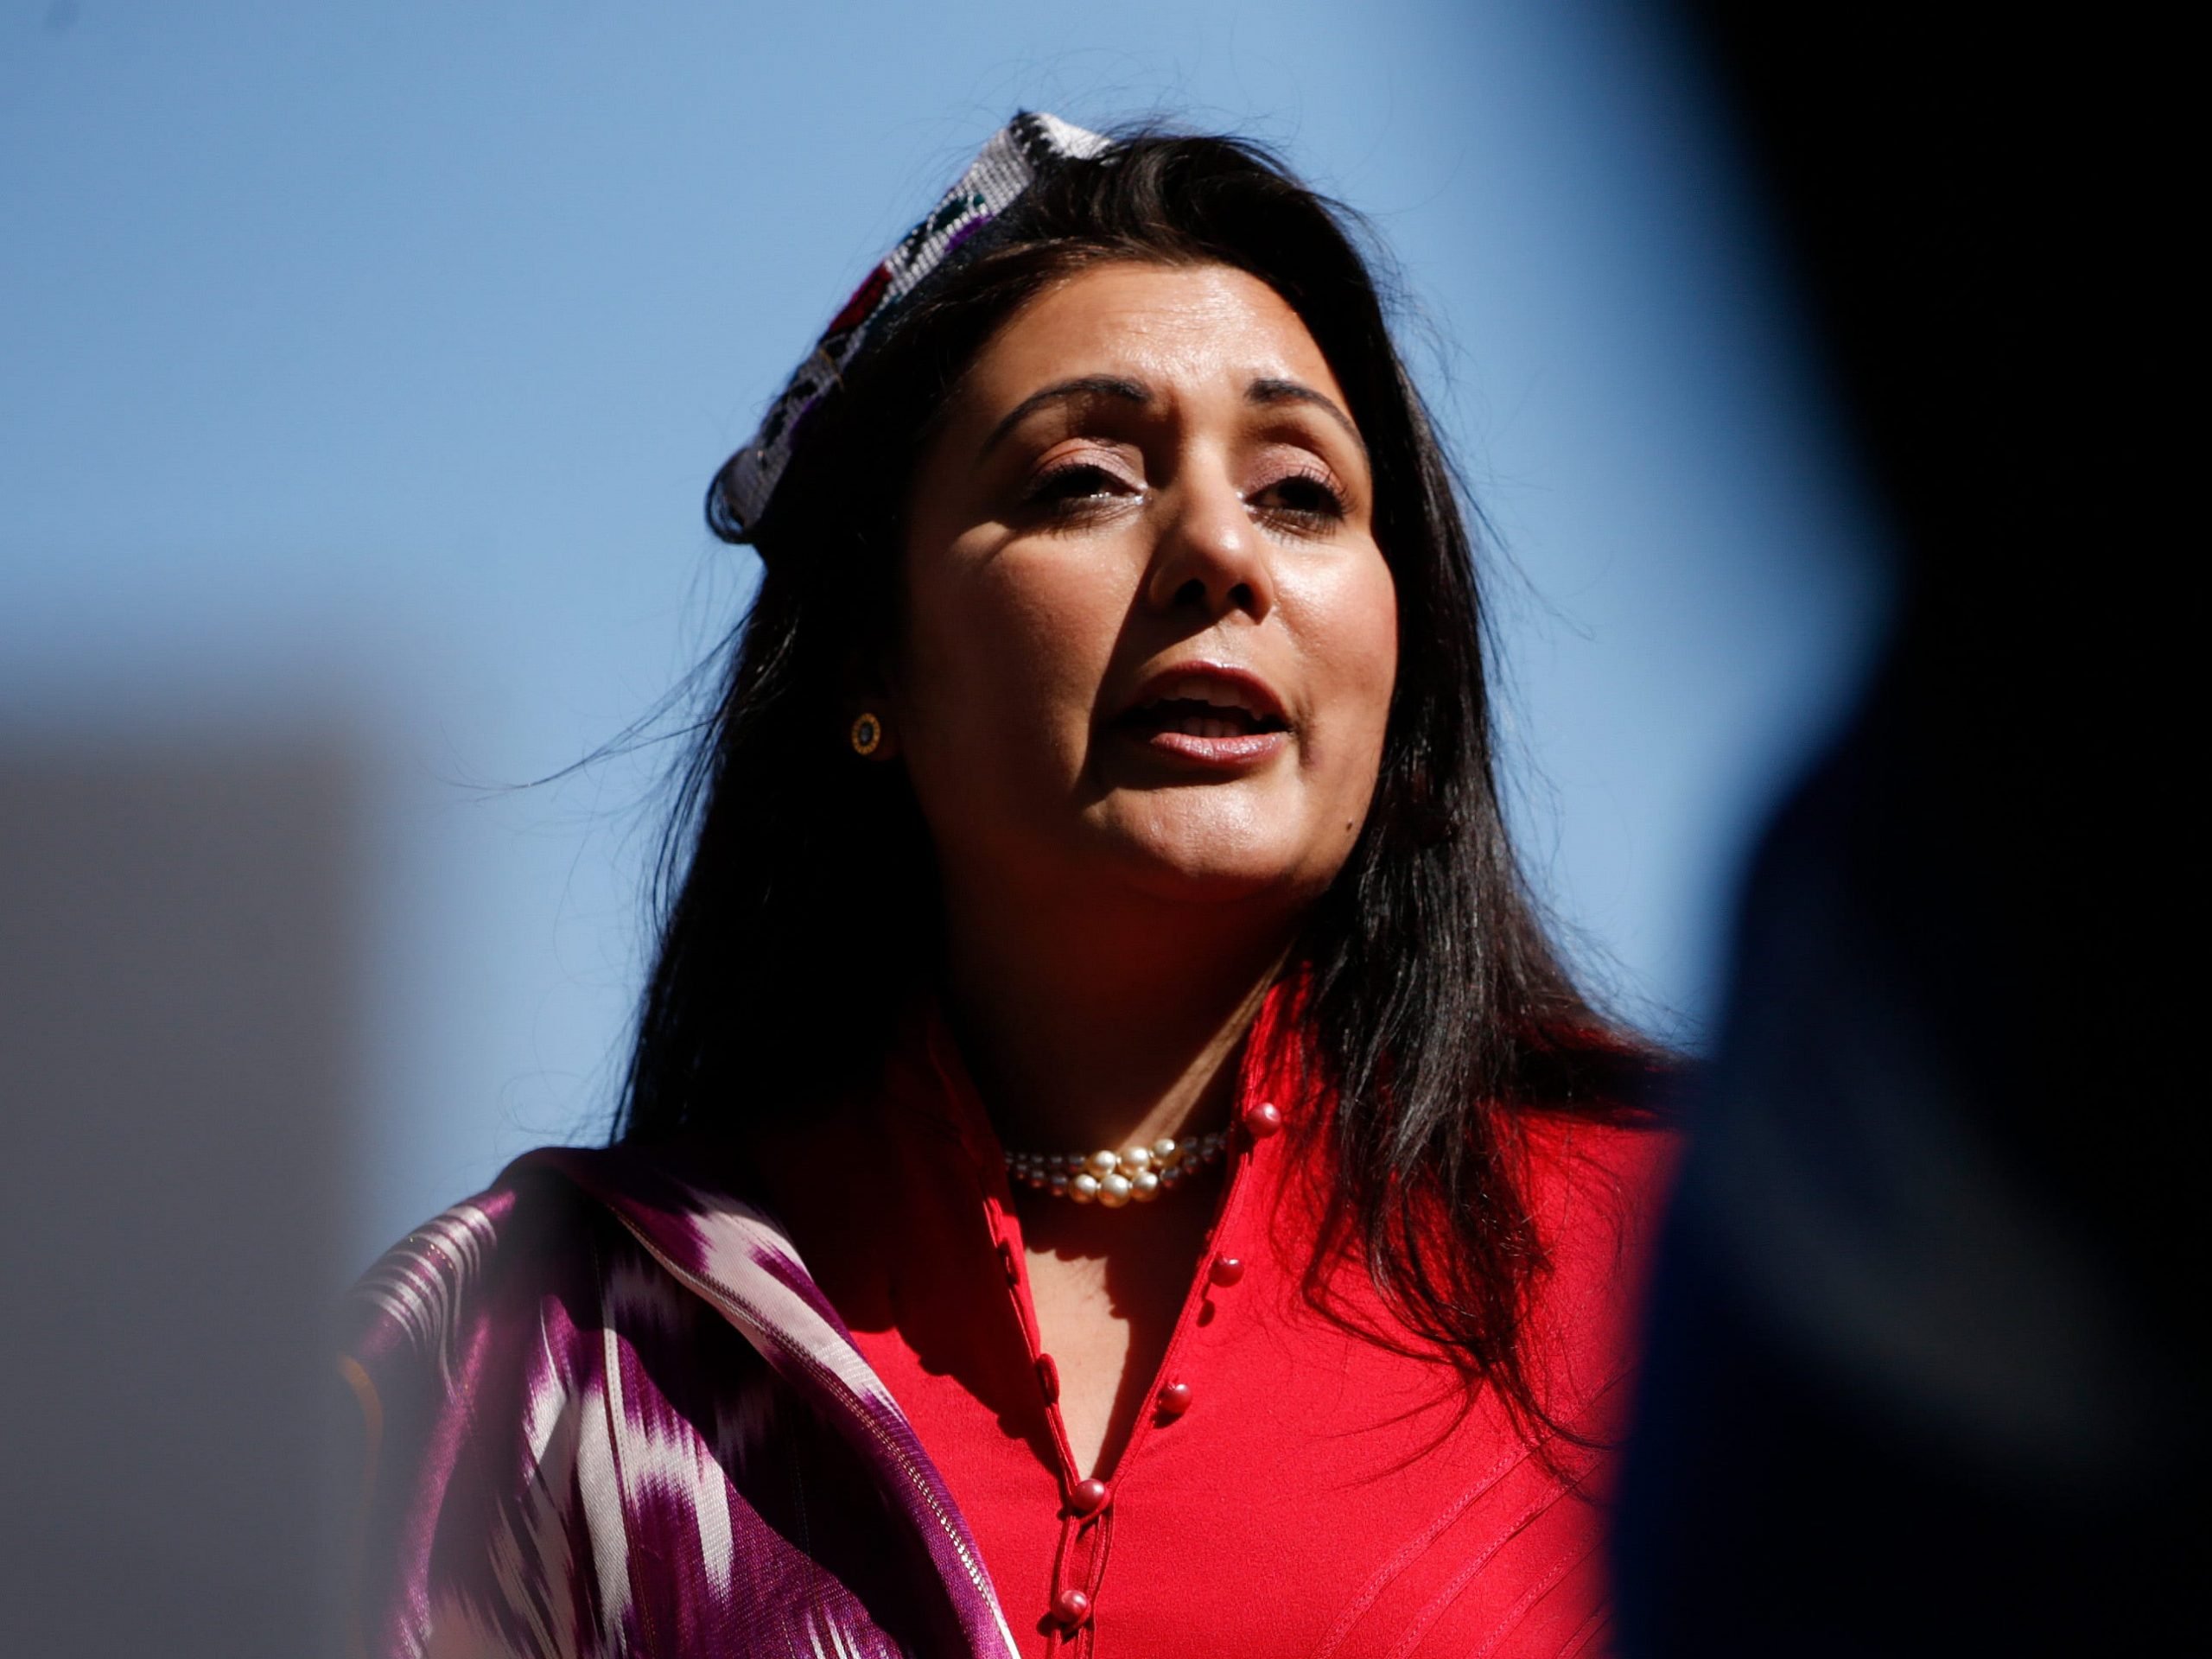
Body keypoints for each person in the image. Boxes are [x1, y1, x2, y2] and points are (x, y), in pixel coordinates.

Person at [341, 114, 1673, 1658]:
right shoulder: (549, 1347)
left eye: (1301, 493)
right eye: (1086, 478)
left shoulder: (1705, 1248)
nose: (1217, 556)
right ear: (867, 662)